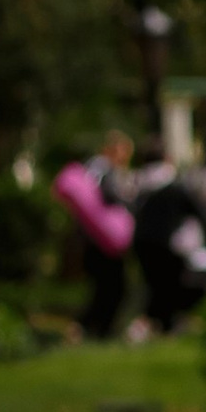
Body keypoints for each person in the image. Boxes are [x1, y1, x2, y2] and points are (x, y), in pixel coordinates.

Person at [53, 130, 138, 339]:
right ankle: (90, 329)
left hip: (91, 239)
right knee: (114, 288)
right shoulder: (104, 170)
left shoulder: (90, 168)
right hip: (104, 241)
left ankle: (89, 329)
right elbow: (110, 197)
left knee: (104, 288)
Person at [129, 144, 206, 333]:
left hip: (141, 244)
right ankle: (166, 326)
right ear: (167, 159)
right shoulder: (174, 185)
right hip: (168, 246)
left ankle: (157, 326)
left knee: (154, 288)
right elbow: (201, 214)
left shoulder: (136, 184)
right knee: (172, 289)